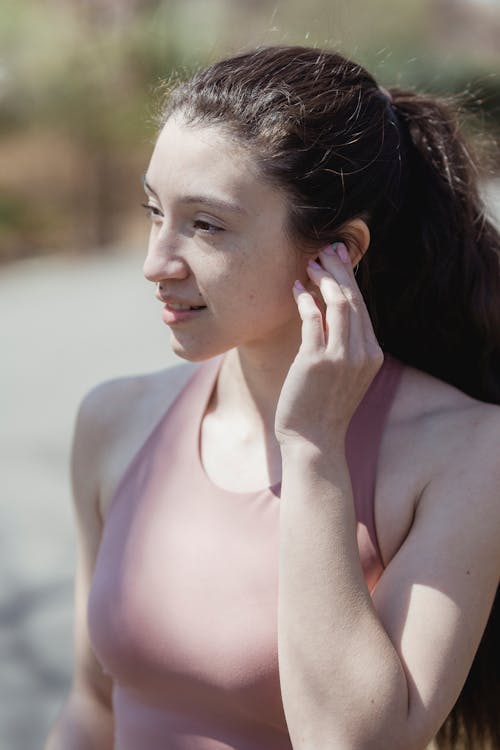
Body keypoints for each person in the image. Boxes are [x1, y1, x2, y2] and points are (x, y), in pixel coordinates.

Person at [45, 46, 500, 750]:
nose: (154, 263)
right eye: (154, 211)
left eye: (206, 225)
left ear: (339, 251)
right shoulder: (114, 421)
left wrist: (315, 449)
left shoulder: (468, 452)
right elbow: (92, 710)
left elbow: (355, 741)